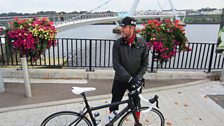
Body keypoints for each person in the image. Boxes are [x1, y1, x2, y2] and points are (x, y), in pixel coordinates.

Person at [109, 16, 149, 122]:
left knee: (136, 104)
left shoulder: (142, 43)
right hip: (120, 79)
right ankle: (110, 122)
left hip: (136, 80)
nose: (121, 29)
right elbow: (116, 64)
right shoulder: (117, 44)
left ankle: (137, 123)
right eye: (121, 27)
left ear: (132, 28)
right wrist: (130, 78)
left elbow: (145, 64)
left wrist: (138, 78)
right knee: (114, 103)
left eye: (124, 27)